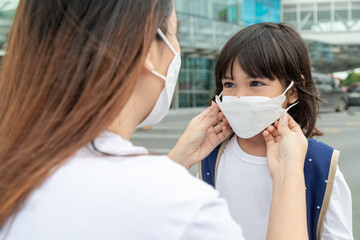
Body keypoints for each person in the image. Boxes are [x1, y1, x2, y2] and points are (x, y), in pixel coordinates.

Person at [0, 1, 308, 239]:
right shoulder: (180, 207)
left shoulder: (18, 166)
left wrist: (175, 160)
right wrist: (290, 177)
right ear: (147, 48)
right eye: (174, 32)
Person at [199, 23, 353, 240]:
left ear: (292, 91)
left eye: (255, 83)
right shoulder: (210, 156)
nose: (239, 97)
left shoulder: (322, 165)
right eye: (229, 84)